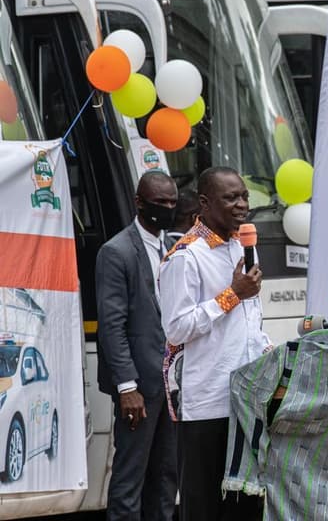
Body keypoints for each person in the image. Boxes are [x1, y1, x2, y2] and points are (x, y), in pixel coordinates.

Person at [159, 166, 270, 521]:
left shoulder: (244, 247)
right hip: (206, 404)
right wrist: (232, 294)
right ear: (205, 203)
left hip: (246, 402)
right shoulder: (185, 256)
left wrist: (268, 353)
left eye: (244, 197)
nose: (242, 205)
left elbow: (249, 322)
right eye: (231, 198)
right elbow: (176, 329)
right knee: (204, 506)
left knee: (245, 505)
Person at [95, 171, 178, 521]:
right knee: (130, 478)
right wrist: (127, 387)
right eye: (160, 203)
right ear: (139, 203)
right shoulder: (116, 252)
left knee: (166, 477)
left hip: (173, 384)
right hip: (139, 388)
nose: (167, 209)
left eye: (172, 202)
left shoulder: (176, 246)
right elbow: (112, 326)